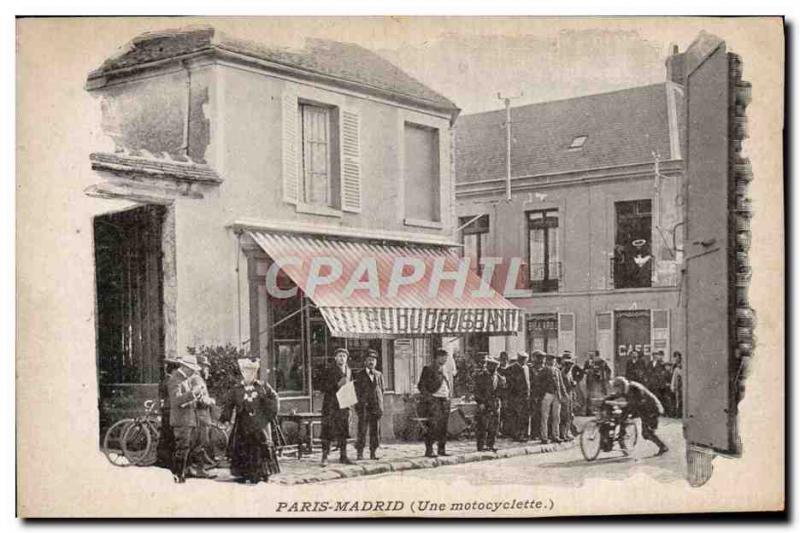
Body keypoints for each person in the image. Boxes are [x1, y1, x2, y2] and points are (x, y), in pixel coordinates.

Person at [220, 356, 279, 484]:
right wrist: (225, 419)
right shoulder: (237, 389)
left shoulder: (263, 386)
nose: (249, 374)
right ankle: (243, 473)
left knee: (261, 447)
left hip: (260, 424)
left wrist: (268, 411)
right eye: (246, 371)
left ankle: (262, 473)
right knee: (243, 448)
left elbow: (275, 400)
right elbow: (229, 405)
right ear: (242, 372)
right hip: (243, 424)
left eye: (252, 371)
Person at [166, 354, 210, 483]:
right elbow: (176, 400)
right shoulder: (175, 379)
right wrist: (193, 393)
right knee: (182, 448)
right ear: (185, 367)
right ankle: (177, 475)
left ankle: (181, 474)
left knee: (186, 447)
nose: (193, 372)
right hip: (181, 420)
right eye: (191, 369)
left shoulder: (184, 379)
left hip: (189, 419)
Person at [606, 376, 668, 456]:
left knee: (647, 433)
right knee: (624, 417)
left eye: (617, 388)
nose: (616, 390)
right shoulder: (626, 388)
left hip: (652, 409)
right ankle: (622, 436)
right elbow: (616, 395)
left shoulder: (635, 388)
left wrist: (625, 407)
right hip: (643, 410)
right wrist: (606, 399)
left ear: (621, 386)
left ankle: (663, 447)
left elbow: (637, 402)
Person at [319, 347, 354, 466]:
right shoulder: (329, 370)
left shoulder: (349, 370)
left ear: (346, 358)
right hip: (331, 405)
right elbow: (322, 387)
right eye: (339, 356)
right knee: (327, 431)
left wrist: (350, 402)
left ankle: (343, 456)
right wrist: (337, 385)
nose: (342, 358)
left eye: (344, 356)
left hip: (344, 405)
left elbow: (350, 387)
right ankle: (325, 456)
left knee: (344, 431)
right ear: (335, 358)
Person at [417, 348, 452, 458]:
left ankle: (441, 449)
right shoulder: (428, 369)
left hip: (445, 400)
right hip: (434, 401)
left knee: (443, 426)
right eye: (443, 357)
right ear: (437, 357)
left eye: (446, 357)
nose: (445, 359)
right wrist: (430, 398)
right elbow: (421, 386)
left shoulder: (445, 369)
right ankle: (429, 450)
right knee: (433, 426)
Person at [354, 349, 385, 460]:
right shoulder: (359, 375)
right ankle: (360, 453)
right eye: (369, 360)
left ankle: (373, 452)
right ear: (365, 362)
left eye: (373, 360)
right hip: (364, 407)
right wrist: (358, 406)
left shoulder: (379, 375)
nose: (371, 362)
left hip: (375, 407)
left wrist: (381, 406)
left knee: (375, 431)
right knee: (362, 430)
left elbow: (382, 391)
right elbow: (356, 392)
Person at [473, 357, 506, 452]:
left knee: (494, 426)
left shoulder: (498, 377)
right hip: (484, 403)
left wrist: (499, 400)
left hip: (495, 404)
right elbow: (476, 391)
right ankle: (481, 445)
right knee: (482, 426)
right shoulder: (481, 376)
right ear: (488, 366)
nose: (494, 368)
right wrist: (480, 402)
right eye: (492, 365)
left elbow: (501, 390)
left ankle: (491, 444)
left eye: (496, 366)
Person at [193, 354, 218, 470]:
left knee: (203, 441)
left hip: (203, 414)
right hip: (201, 414)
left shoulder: (199, 378)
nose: (207, 369)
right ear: (200, 366)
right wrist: (210, 401)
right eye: (205, 367)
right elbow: (199, 398)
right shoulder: (197, 379)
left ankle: (202, 466)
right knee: (202, 442)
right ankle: (200, 468)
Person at [538, 353, 568, 444]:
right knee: (545, 416)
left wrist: (564, 394)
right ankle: (544, 437)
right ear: (547, 361)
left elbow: (561, 383)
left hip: (557, 395)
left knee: (556, 416)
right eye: (550, 360)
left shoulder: (557, 370)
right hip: (547, 394)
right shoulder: (544, 370)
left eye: (553, 360)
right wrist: (542, 393)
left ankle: (556, 435)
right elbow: (538, 383)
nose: (552, 361)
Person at [506, 352, 532, 441]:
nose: (524, 361)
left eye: (525, 359)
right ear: (518, 358)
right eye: (522, 359)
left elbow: (528, 382)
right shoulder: (511, 368)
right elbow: (509, 384)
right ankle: (517, 435)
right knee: (517, 416)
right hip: (516, 397)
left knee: (525, 416)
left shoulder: (527, 368)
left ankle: (524, 434)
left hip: (526, 396)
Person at [558, 352, 580, 441]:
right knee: (564, 416)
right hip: (564, 396)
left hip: (569, 395)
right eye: (569, 365)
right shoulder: (562, 373)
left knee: (570, 415)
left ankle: (567, 433)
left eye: (571, 365)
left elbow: (571, 383)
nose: (570, 367)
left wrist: (574, 384)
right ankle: (563, 434)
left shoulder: (569, 373)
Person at [583, 351, 611, 415]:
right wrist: (587, 371)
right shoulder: (587, 362)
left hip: (599, 382)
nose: (592, 357)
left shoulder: (602, 362)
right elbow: (584, 370)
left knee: (599, 396)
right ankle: (589, 411)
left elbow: (608, 370)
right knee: (590, 396)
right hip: (590, 382)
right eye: (591, 356)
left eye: (593, 356)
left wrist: (606, 378)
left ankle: (600, 411)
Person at [528, 351, 546, 441]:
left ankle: (539, 433)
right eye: (539, 358)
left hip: (542, 394)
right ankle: (533, 433)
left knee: (541, 414)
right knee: (534, 414)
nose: (541, 361)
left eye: (542, 359)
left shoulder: (544, 369)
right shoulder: (531, 369)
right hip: (533, 394)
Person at [670, 352, 683, 418]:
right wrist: (672, 386)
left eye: (677, 357)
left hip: (681, 385)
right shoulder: (674, 366)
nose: (676, 358)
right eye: (675, 357)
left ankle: (680, 413)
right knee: (677, 400)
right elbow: (673, 377)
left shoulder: (682, 365)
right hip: (677, 385)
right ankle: (677, 414)